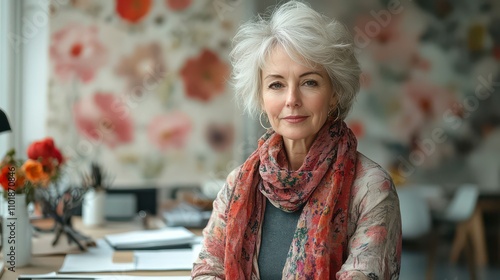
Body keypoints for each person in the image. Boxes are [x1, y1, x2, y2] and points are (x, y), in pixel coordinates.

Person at [192, 1, 402, 279]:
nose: (292, 100)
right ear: (261, 97)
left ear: (335, 93)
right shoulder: (239, 184)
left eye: (309, 82)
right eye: (276, 84)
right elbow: (209, 267)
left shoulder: (371, 190)